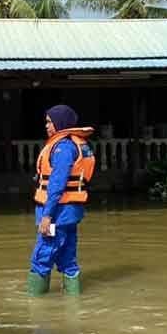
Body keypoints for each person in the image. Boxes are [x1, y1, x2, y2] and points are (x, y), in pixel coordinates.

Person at [27, 105, 95, 296]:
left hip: (57, 213)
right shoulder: (73, 144)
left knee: (41, 257)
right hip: (69, 213)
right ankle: (73, 307)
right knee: (68, 260)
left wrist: (47, 215)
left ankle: (34, 307)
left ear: (60, 123)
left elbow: (56, 185)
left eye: (49, 122)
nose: (47, 126)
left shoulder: (63, 148)